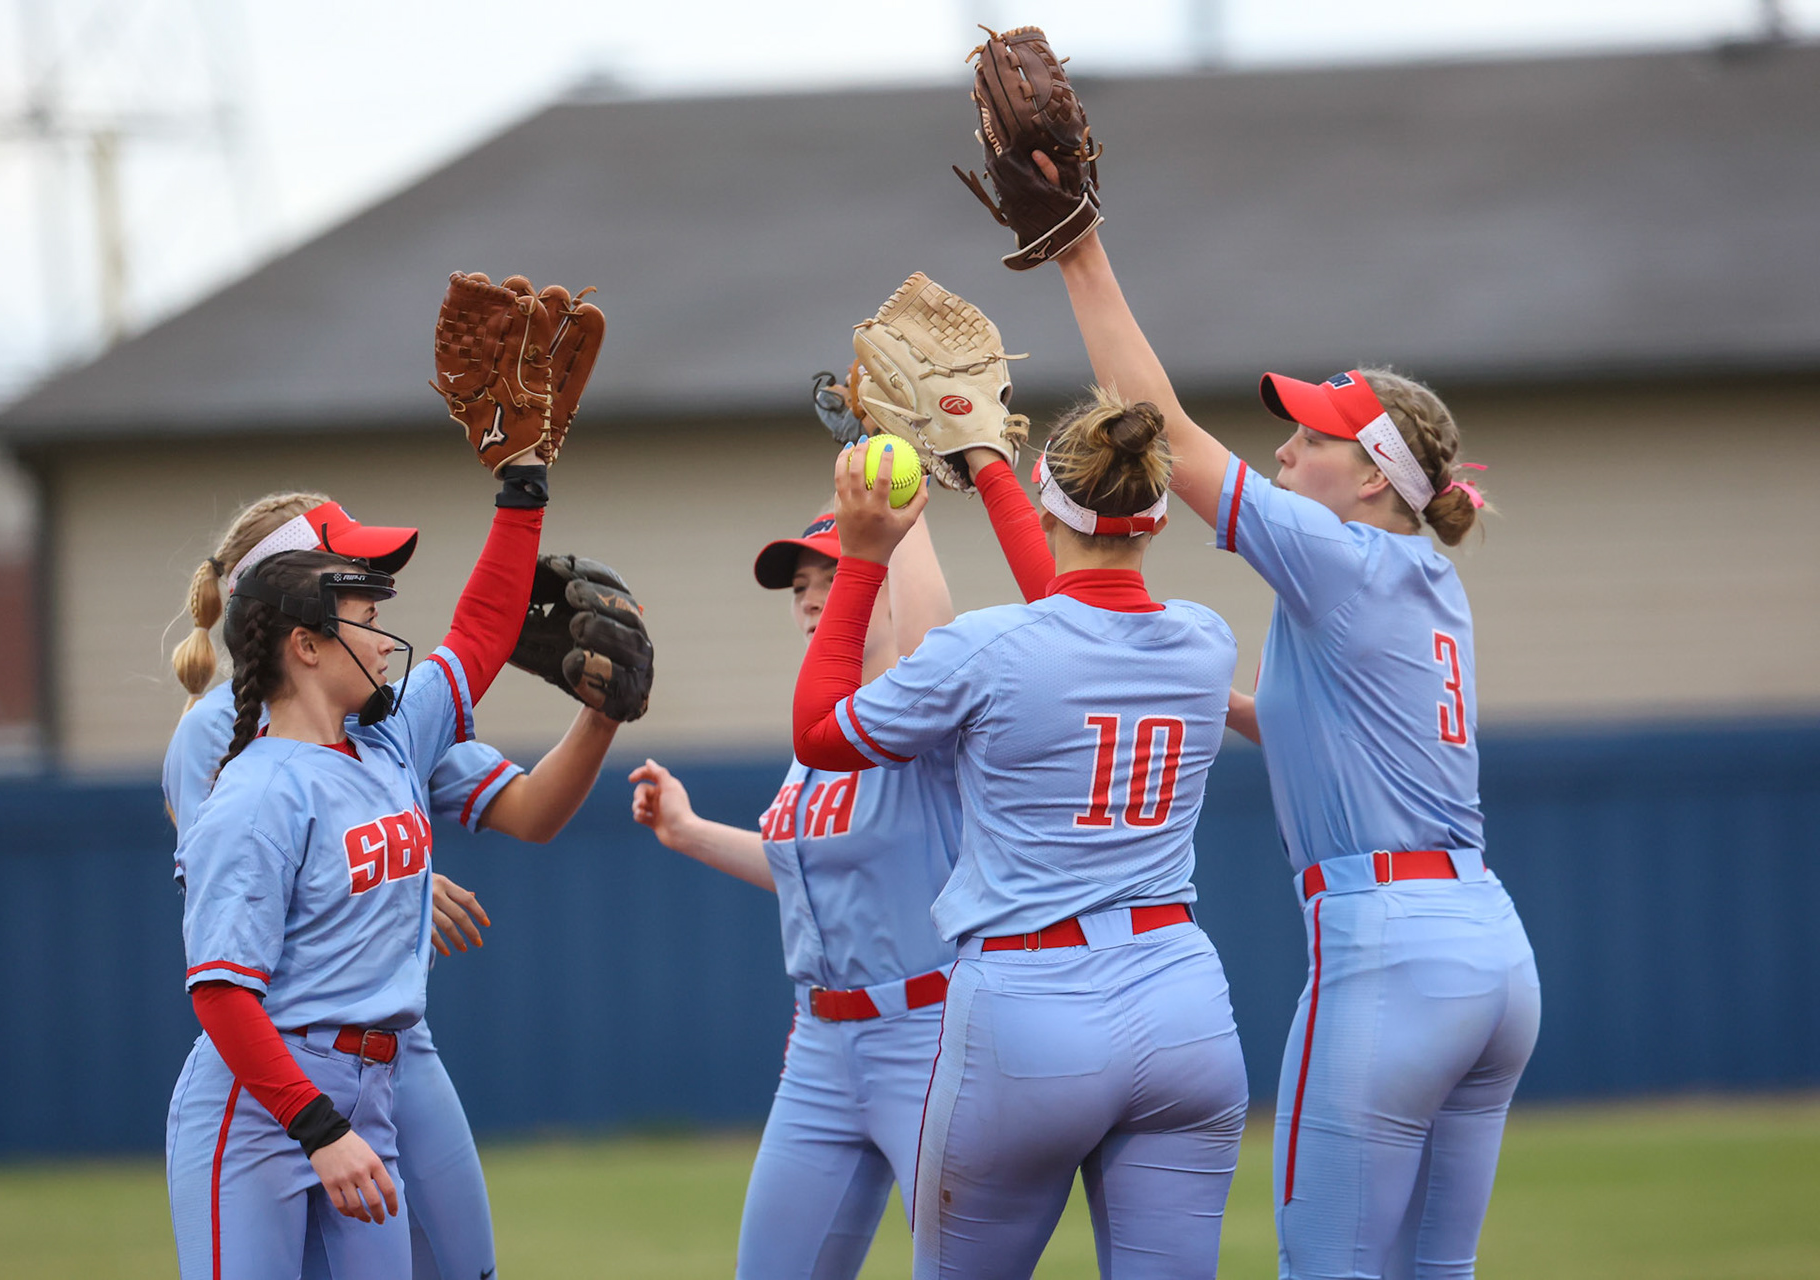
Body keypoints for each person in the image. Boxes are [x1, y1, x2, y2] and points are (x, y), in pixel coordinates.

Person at [1033, 180, 1540, 1278]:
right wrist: (1199, 690)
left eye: (1308, 438)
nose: (1280, 454)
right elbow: (1340, 727)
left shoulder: (1340, 556)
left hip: (1390, 947)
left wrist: (1077, 252)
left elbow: (1159, 427)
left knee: (1329, 1266)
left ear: (1369, 479)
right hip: (1490, 949)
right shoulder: (1421, 574)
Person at [791, 400, 1250, 1280]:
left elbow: (821, 734)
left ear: (1050, 501)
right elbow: (1080, 615)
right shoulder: (1204, 639)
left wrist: (863, 560)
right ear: (1155, 513)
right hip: (1181, 997)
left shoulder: (988, 647)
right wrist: (991, 465)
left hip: (1029, 1000)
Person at [163, 491, 628, 1280]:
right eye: (364, 614)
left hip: (377, 1074)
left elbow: (478, 635)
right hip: (269, 1095)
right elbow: (222, 987)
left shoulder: (386, 737)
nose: (384, 638)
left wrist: (523, 486)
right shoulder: (249, 778)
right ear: (305, 643)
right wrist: (317, 1128)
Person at [628, 455, 959, 1280]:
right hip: (818, 1044)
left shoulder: (927, 710)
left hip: (927, 1035)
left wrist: (898, 474)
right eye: (800, 582)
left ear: (881, 579)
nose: (811, 595)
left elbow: (933, 629)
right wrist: (690, 830)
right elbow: (809, 867)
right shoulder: (818, 736)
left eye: (833, 572)